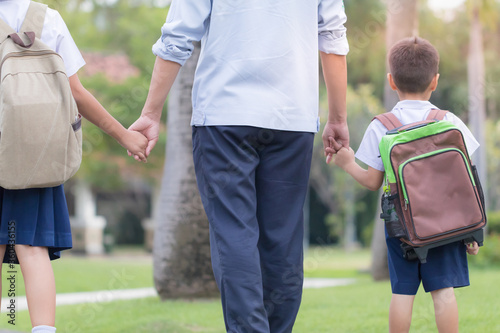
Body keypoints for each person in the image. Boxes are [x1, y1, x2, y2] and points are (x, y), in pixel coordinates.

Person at [129, 0, 349, 331]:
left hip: (224, 115)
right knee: (282, 240)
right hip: (291, 118)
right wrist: (338, 118)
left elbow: (177, 35)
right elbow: (331, 36)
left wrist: (150, 113)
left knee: (235, 234)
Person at [0, 1, 147, 332]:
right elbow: (76, 92)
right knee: (31, 248)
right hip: (38, 152)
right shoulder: (48, 19)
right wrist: (125, 137)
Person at [333, 37, 480, 333]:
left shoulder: (382, 125)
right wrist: (472, 231)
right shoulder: (449, 121)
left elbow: (374, 181)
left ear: (391, 81)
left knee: (402, 294)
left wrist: (348, 163)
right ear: (435, 81)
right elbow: (466, 178)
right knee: (444, 292)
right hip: (447, 224)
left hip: (402, 225)